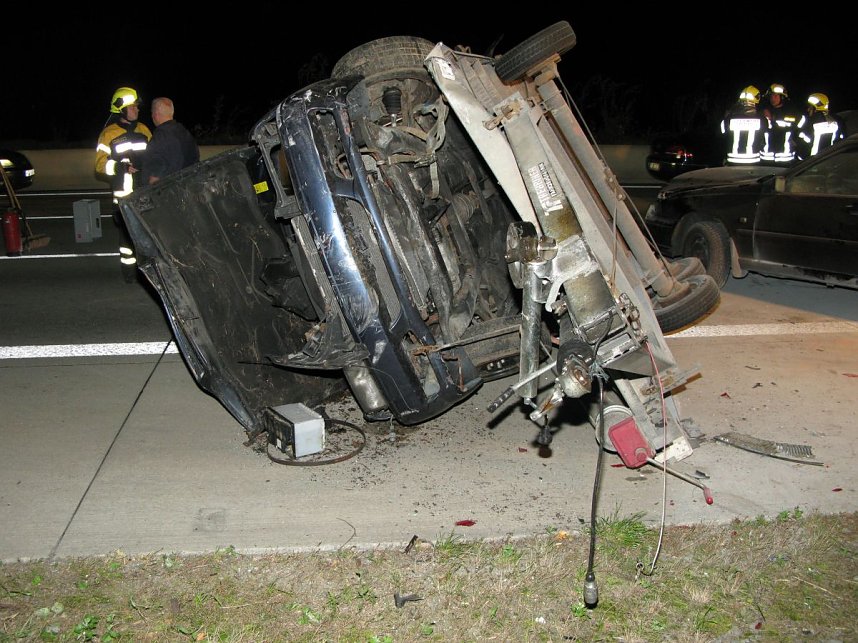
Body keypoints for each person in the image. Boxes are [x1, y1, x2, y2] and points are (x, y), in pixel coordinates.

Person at [94, 87, 152, 282]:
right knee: (127, 238)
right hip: (124, 196)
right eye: (132, 106)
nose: (137, 109)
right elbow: (100, 165)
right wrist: (122, 167)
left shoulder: (144, 130)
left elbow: (154, 156)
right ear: (121, 109)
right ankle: (130, 273)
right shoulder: (109, 134)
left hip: (144, 191)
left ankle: (148, 274)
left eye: (136, 106)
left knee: (147, 234)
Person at [142, 97, 200, 185]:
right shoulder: (185, 133)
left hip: (169, 190)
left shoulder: (159, 138)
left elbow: (155, 175)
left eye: (152, 112)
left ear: (156, 114)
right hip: (190, 186)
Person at [720, 85, 767, 165]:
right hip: (753, 161)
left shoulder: (729, 117)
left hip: (732, 161)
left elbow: (722, 133)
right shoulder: (762, 119)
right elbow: (765, 136)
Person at [759, 83, 802, 165]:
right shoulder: (764, 112)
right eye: (771, 96)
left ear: (782, 97)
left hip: (785, 158)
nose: (773, 99)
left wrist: (771, 120)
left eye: (775, 96)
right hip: (767, 158)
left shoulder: (792, 113)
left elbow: (794, 130)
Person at [796, 93, 846, 160]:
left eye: (810, 107)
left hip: (809, 162)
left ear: (815, 108)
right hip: (829, 160)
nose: (808, 110)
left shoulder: (808, 121)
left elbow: (801, 143)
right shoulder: (838, 120)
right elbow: (842, 140)